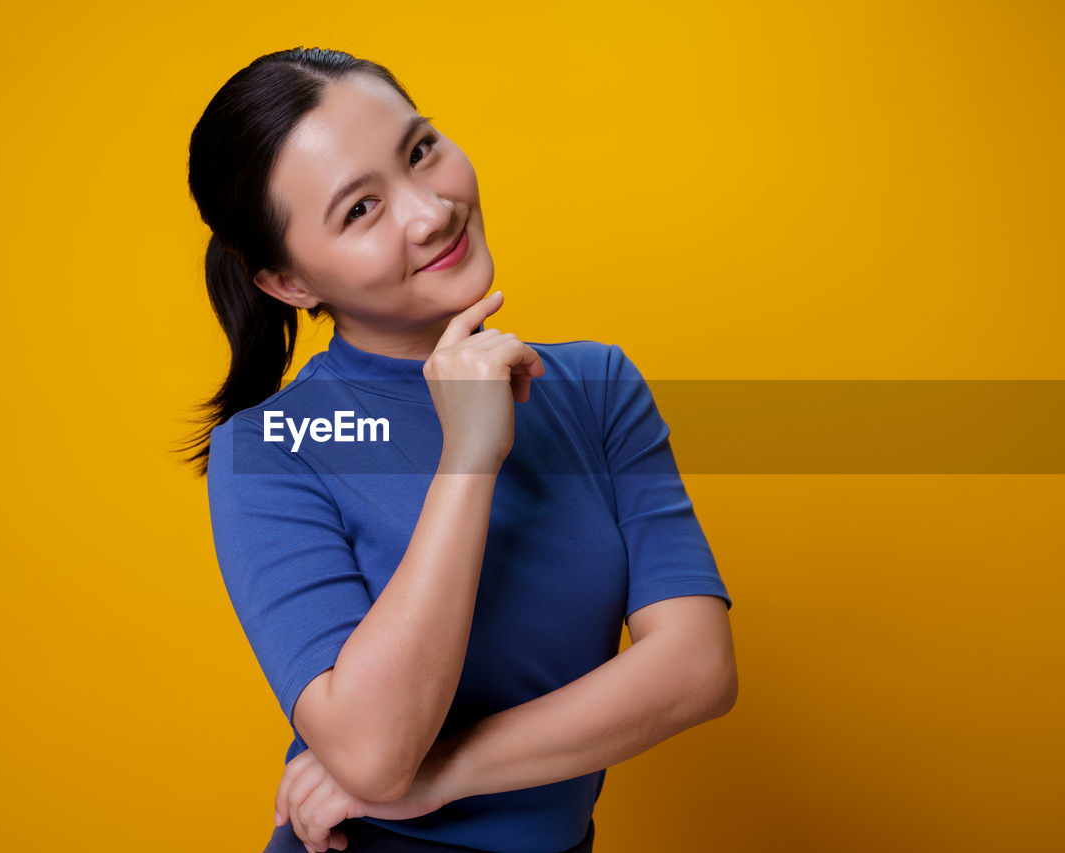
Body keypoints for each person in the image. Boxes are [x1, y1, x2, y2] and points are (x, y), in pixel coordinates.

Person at [181, 46, 737, 853]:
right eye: (360, 210)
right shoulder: (272, 449)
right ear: (289, 284)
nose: (431, 210)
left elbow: (696, 669)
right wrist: (469, 454)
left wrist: (437, 774)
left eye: (419, 150)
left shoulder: (594, 384)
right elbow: (373, 749)